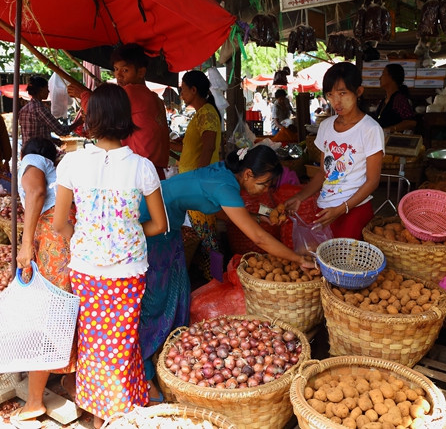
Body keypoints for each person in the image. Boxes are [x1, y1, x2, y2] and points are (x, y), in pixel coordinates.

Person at [138, 145, 312, 400]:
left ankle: (169, 351)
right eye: (264, 184)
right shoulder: (225, 185)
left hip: (168, 224)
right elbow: (258, 239)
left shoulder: (227, 174)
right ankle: (143, 371)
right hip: (153, 225)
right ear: (249, 174)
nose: (264, 192)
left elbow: (223, 209)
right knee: (156, 298)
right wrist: (297, 258)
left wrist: (259, 215)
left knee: (177, 288)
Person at [53, 83, 167, 429]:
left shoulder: (71, 163)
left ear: (91, 118)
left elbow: (59, 224)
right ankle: (118, 407)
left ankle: (109, 404)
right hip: (128, 270)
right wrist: (128, 234)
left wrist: (86, 239)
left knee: (95, 339)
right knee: (123, 337)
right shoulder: (142, 167)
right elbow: (160, 225)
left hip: (86, 268)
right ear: (126, 119)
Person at [10, 137, 76, 424]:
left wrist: (26, 243)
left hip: (50, 239)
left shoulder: (31, 161)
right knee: (67, 307)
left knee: (48, 314)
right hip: (59, 237)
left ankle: (35, 400)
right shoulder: (51, 166)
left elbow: (35, 192)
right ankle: (71, 380)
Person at [285, 62, 384, 240]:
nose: (336, 101)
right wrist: (301, 196)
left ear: (358, 92)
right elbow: (324, 172)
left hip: (354, 210)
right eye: (330, 95)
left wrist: (342, 209)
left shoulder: (370, 129)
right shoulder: (326, 126)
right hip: (325, 209)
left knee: (346, 263)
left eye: (342, 93)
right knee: (324, 262)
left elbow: (372, 181)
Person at [169, 71, 222, 276]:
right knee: (201, 232)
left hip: (201, 184)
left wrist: (198, 181)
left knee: (207, 235)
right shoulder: (200, 114)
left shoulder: (207, 112)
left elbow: (208, 148)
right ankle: (211, 276)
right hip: (195, 183)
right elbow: (191, 150)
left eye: (183, 89)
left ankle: (216, 277)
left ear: (194, 89)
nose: (180, 93)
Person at [112, 43, 170, 179]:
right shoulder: (156, 99)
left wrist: (83, 95)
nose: (118, 75)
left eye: (125, 70)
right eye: (115, 69)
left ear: (141, 72)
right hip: (156, 171)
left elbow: (101, 111)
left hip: (138, 172)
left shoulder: (130, 91)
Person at [18, 75, 84, 144]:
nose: (49, 91)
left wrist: (52, 140)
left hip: (27, 151)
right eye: (47, 88)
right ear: (41, 90)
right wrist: (79, 121)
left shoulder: (23, 109)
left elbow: (32, 134)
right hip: (39, 151)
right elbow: (61, 131)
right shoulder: (40, 109)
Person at [375, 64, 417, 133]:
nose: (380, 78)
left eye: (383, 74)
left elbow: (411, 122)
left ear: (391, 77)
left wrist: (390, 129)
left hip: (394, 141)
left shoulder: (398, 99)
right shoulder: (384, 100)